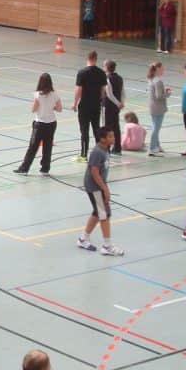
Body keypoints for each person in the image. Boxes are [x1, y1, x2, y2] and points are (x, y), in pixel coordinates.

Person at [75, 127, 123, 256]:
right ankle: (107, 246)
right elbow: (94, 172)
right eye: (110, 136)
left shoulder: (106, 149)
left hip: (98, 185)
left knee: (98, 213)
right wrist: (105, 189)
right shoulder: (97, 152)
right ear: (103, 139)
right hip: (94, 186)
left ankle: (83, 239)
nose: (113, 138)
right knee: (104, 215)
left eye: (113, 136)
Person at [16, 73, 62, 175]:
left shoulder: (38, 95)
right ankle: (45, 169)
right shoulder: (55, 94)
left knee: (33, 147)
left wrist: (41, 106)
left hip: (40, 124)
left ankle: (24, 168)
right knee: (48, 146)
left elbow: (34, 109)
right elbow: (59, 109)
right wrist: (51, 107)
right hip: (51, 123)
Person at [72, 50, 106, 163]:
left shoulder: (82, 72)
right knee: (96, 129)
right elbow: (103, 90)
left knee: (84, 131)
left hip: (85, 106)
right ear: (96, 59)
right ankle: (99, 154)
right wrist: (101, 100)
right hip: (96, 105)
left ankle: (84, 155)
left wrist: (75, 103)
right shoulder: (101, 73)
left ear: (87, 58)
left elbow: (79, 90)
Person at [146, 61, 169, 157]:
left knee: (155, 126)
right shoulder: (158, 81)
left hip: (152, 106)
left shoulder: (151, 79)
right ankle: (152, 148)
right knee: (156, 128)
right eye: (162, 68)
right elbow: (159, 96)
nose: (163, 70)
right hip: (158, 108)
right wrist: (167, 93)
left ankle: (157, 146)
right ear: (158, 69)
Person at [103, 59, 124, 154]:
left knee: (108, 128)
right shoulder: (120, 78)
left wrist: (118, 103)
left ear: (107, 68)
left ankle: (107, 148)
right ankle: (117, 147)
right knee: (116, 126)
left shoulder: (107, 79)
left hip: (109, 106)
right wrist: (121, 102)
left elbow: (109, 94)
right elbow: (123, 91)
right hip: (116, 107)